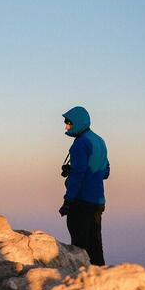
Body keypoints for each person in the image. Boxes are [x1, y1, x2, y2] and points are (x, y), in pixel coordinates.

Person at [58, 106, 109, 265]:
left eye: (69, 123)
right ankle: (100, 278)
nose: (66, 126)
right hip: (97, 202)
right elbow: (105, 172)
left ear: (78, 122)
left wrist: (68, 202)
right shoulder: (99, 141)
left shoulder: (80, 144)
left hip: (81, 202)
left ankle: (81, 281)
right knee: (95, 245)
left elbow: (78, 176)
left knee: (79, 248)